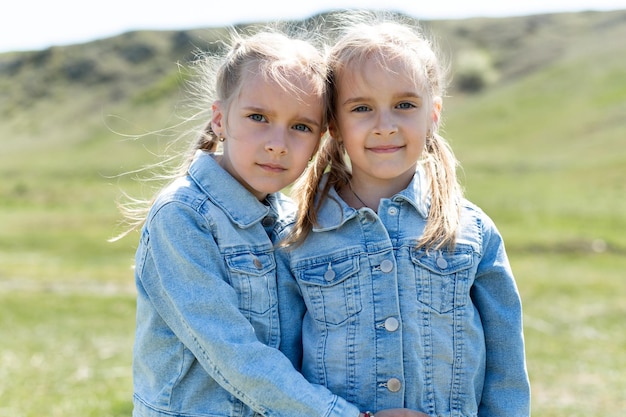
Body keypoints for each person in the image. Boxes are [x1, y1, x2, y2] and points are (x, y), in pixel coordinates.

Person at [114, 23, 428, 417]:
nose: (277, 143)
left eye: (301, 127)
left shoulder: (296, 223)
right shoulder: (182, 217)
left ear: (321, 141)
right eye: (258, 117)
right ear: (219, 119)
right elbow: (235, 356)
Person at [278, 11, 531, 417]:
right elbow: (283, 373)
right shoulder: (298, 238)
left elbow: (506, 374)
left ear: (432, 115)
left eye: (405, 104)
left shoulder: (471, 232)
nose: (385, 125)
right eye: (361, 108)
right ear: (335, 125)